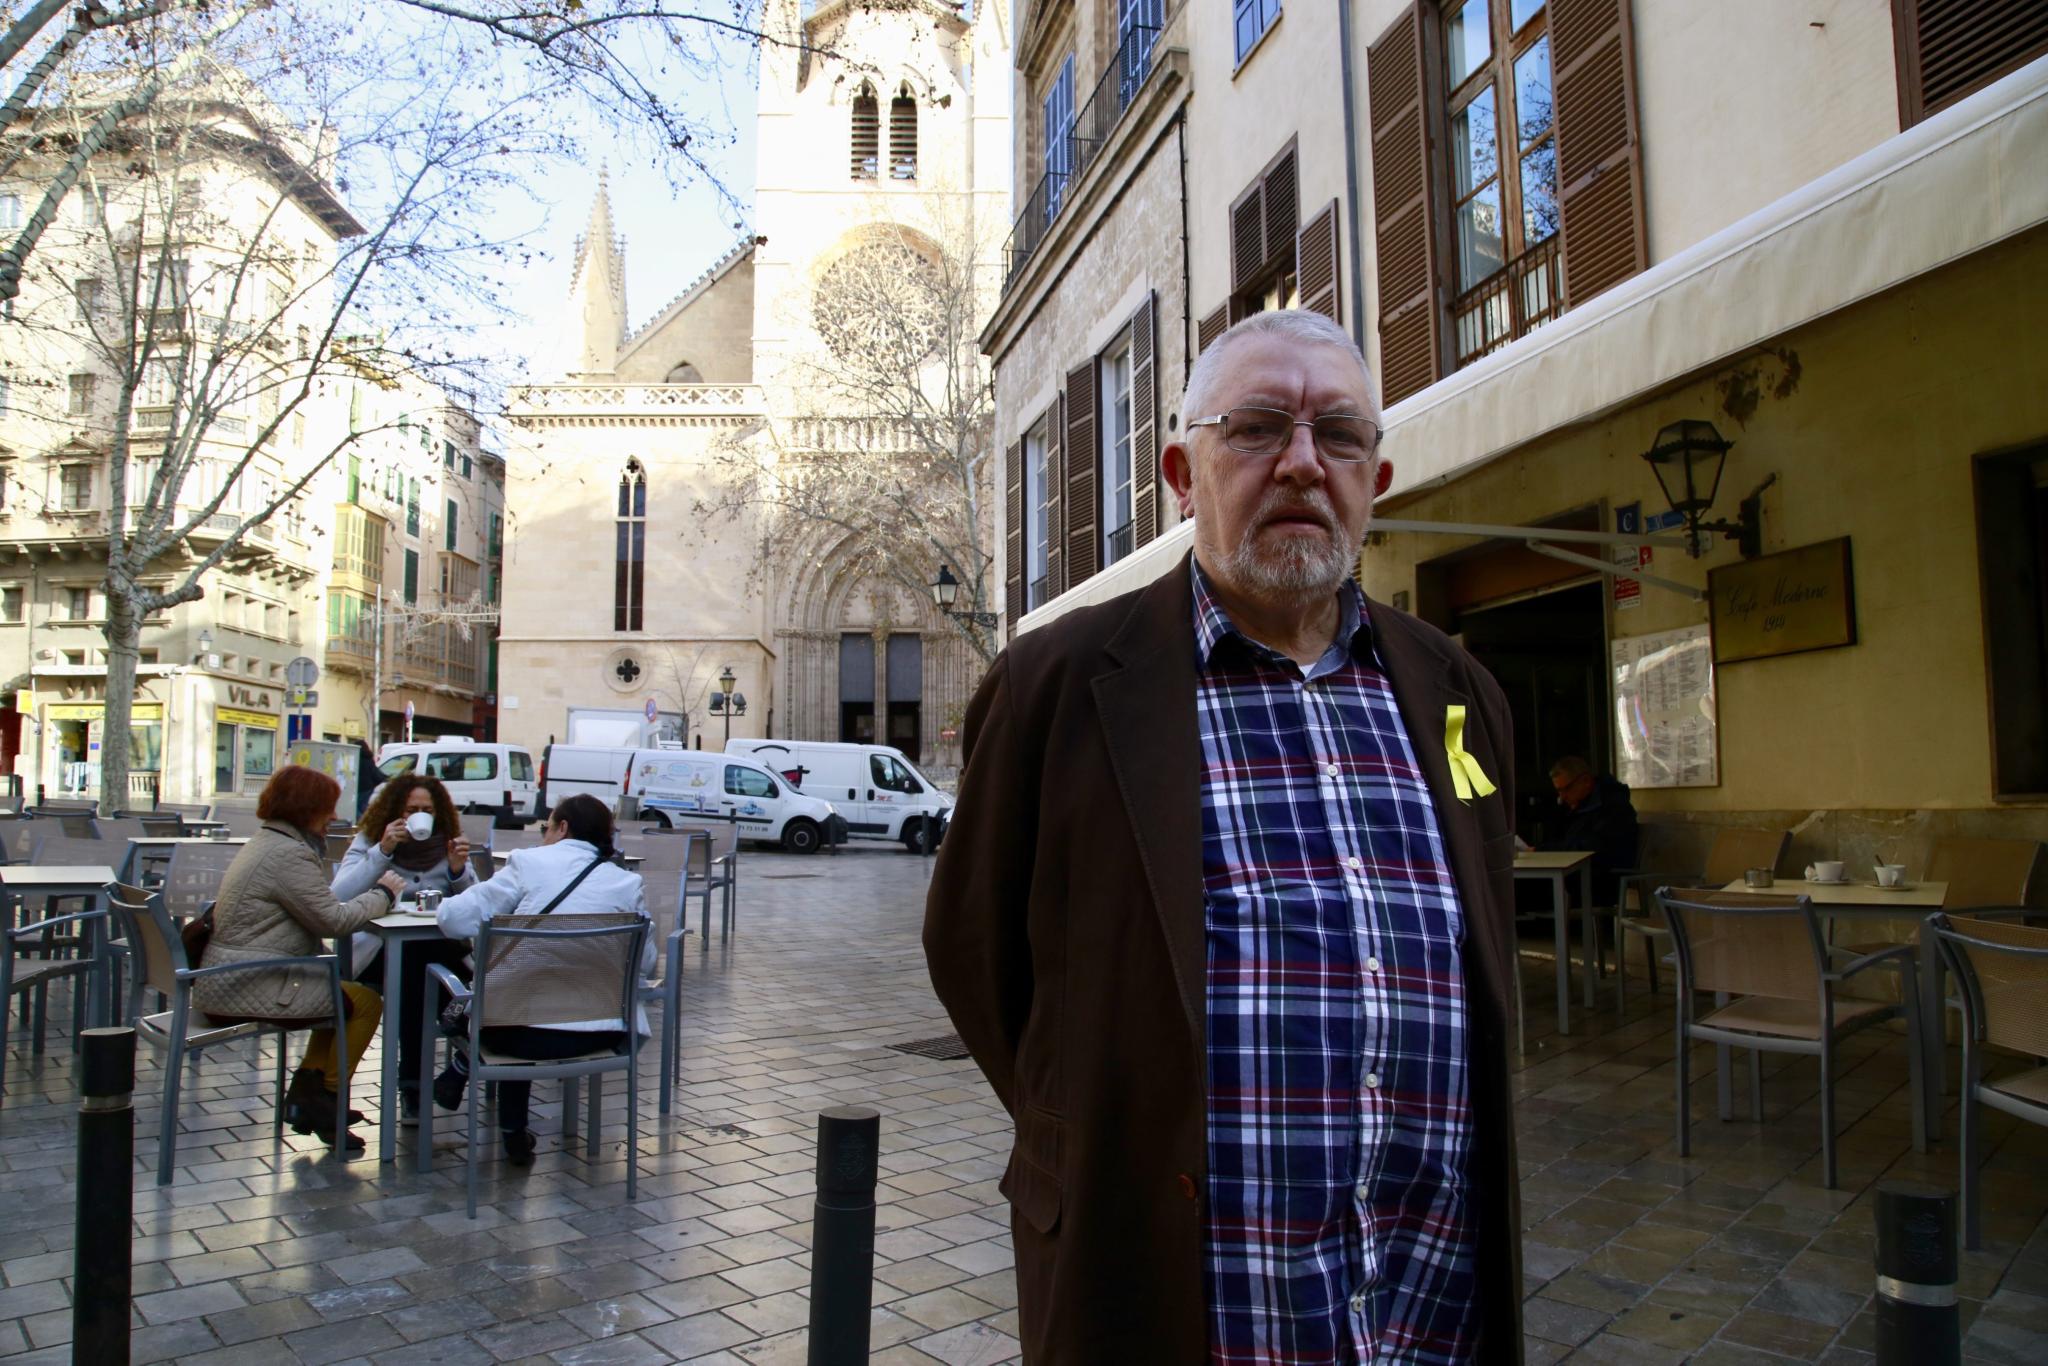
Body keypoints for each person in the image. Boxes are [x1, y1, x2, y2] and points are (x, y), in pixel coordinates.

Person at [925, 310, 1523, 1362]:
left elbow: (1480, 928)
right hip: (1164, 1294)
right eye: (1255, 428)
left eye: (1340, 436)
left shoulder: (1454, 688)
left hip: (1424, 1297)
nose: (1302, 463)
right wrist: (1098, 1115)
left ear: (1375, 481)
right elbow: (976, 954)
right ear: (1180, 473)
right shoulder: (1055, 687)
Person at [428, 794, 654, 1166]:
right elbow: (645, 963)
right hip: (602, 1034)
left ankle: (469, 1076)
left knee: (512, 1000)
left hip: (513, 1034)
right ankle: (512, 1133)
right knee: (524, 996)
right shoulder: (627, 884)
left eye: (545, 827)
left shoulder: (528, 863)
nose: (543, 835)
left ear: (562, 828)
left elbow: (453, 920)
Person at [193, 765, 406, 1151]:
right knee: (365, 1002)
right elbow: (333, 921)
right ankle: (328, 1099)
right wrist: (383, 895)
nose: (334, 816)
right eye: (328, 807)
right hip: (247, 983)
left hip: (230, 977)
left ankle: (308, 1096)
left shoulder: (266, 841)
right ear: (306, 808)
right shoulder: (288, 854)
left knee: (338, 994)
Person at [331, 773, 477, 1122]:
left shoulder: (448, 842)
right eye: (412, 810)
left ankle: (414, 1084)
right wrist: (382, 852)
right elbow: (338, 895)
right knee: (415, 970)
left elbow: (476, 902)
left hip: (440, 950)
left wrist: (458, 872)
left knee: (417, 972)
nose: (420, 815)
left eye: (427, 809)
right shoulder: (372, 838)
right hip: (379, 952)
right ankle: (463, 1035)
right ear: (396, 811)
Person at [1543, 755, 1639, 904]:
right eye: (1559, 791)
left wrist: (1543, 850)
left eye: (1566, 789)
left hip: (1601, 881)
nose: (1562, 797)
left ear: (1586, 781)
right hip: (1578, 876)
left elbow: (1591, 848)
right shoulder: (1577, 806)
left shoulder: (1613, 807)